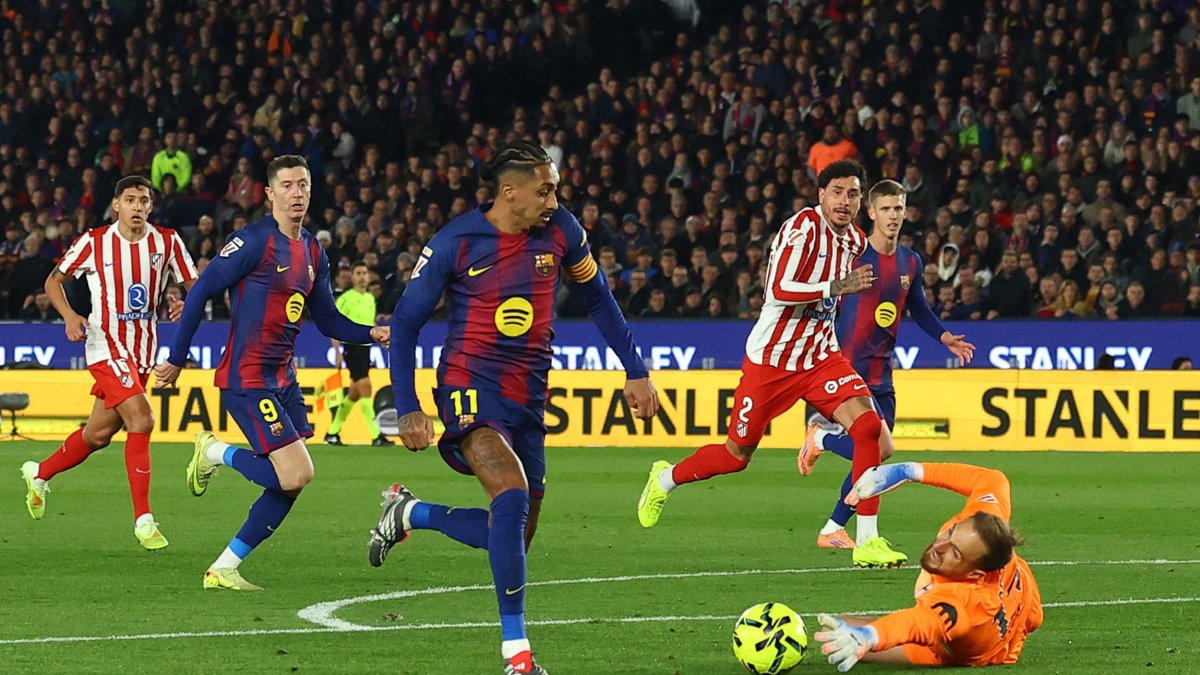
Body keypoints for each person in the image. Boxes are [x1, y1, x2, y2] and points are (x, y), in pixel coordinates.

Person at [366, 141, 659, 675]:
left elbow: (598, 297)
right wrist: (408, 405)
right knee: (511, 491)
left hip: (528, 395)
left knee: (515, 532)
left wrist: (635, 369)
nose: (554, 201)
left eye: (555, 190)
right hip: (468, 386)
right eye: (544, 191)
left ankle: (411, 513)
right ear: (509, 192)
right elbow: (405, 323)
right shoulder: (455, 242)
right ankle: (517, 654)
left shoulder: (562, 230)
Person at [154, 155, 389, 591]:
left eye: (303, 184)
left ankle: (224, 567)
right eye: (287, 185)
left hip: (284, 379)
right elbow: (201, 291)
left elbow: (329, 320)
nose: (297, 193)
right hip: (247, 378)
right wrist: (177, 356)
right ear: (269, 193)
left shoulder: (314, 251)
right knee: (296, 473)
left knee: (292, 482)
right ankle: (214, 452)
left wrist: (371, 333)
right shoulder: (253, 241)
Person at [636, 160, 883, 543]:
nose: (844, 201)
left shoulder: (855, 241)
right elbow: (779, 289)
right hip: (772, 361)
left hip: (820, 357)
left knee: (869, 429)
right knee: (736, 455)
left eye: (852, 194)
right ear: (821, 195)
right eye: (836, 192)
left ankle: (867, 541)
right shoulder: (802, 229)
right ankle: (664, 478)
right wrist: (836, 287)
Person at [797, 180, 975, 567]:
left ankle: (832, 526)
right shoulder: (852, 255)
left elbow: (919, 308)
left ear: (905, 212)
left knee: (878, 456)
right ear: (871, 212)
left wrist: (945, 338)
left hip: (882, 371)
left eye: (899, 208)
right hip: (846, 367)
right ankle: (825, 450)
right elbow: (819, 293)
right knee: (877, 449)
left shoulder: (910, 262)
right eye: (886, 209)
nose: (893, 216)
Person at [19, 175, 197, 550]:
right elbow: (53, 282)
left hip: (142, 352)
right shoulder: (95, 241)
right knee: (142, 419)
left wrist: (184, 303)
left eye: (144, 201)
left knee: (97, 435)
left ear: (151, 206)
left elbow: (193, 285)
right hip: (105, 346)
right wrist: (70, 316)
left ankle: (40, 473)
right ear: (116, 205)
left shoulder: (167, 242)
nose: (137, 207)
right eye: (130, 200)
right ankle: (144, 520)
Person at [813, 462, 1042, 671]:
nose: (939, 546)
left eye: (955, 553)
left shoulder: (962, 605)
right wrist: (909, 471)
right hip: (1023, 595)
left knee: (835, 636)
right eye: (950, 533)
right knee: (1034, 615)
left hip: (987, 646)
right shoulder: (981, 527)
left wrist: (869, 636)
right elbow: (993, 479)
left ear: (974, 574)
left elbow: (918, 623)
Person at [325, 261, 394, 447]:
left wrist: (382, 340)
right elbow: (333, 324)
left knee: (354, 394)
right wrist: (337, 351)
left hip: (366, 349)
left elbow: (370, 325)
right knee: (366, 388)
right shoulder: (346, 298)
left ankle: (332, 433)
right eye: (358, 273)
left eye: (365, 273)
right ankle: (376, 435)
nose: (362, 276)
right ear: (352, 277)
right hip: (352, 347)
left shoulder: (370, 299)